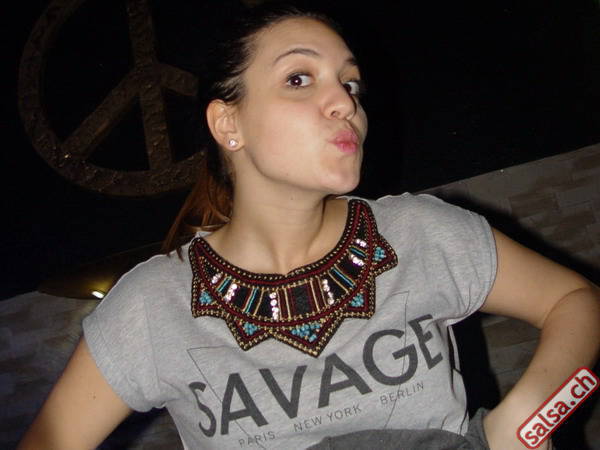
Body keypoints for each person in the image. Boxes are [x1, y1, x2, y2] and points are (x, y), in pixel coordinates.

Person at [18, 2, 600, 449]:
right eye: (300, 78)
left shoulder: (421, 233)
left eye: (350, 83)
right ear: (228, 124)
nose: (345, 102)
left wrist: (527, 418)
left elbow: (577, 301)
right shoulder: (153, 305)